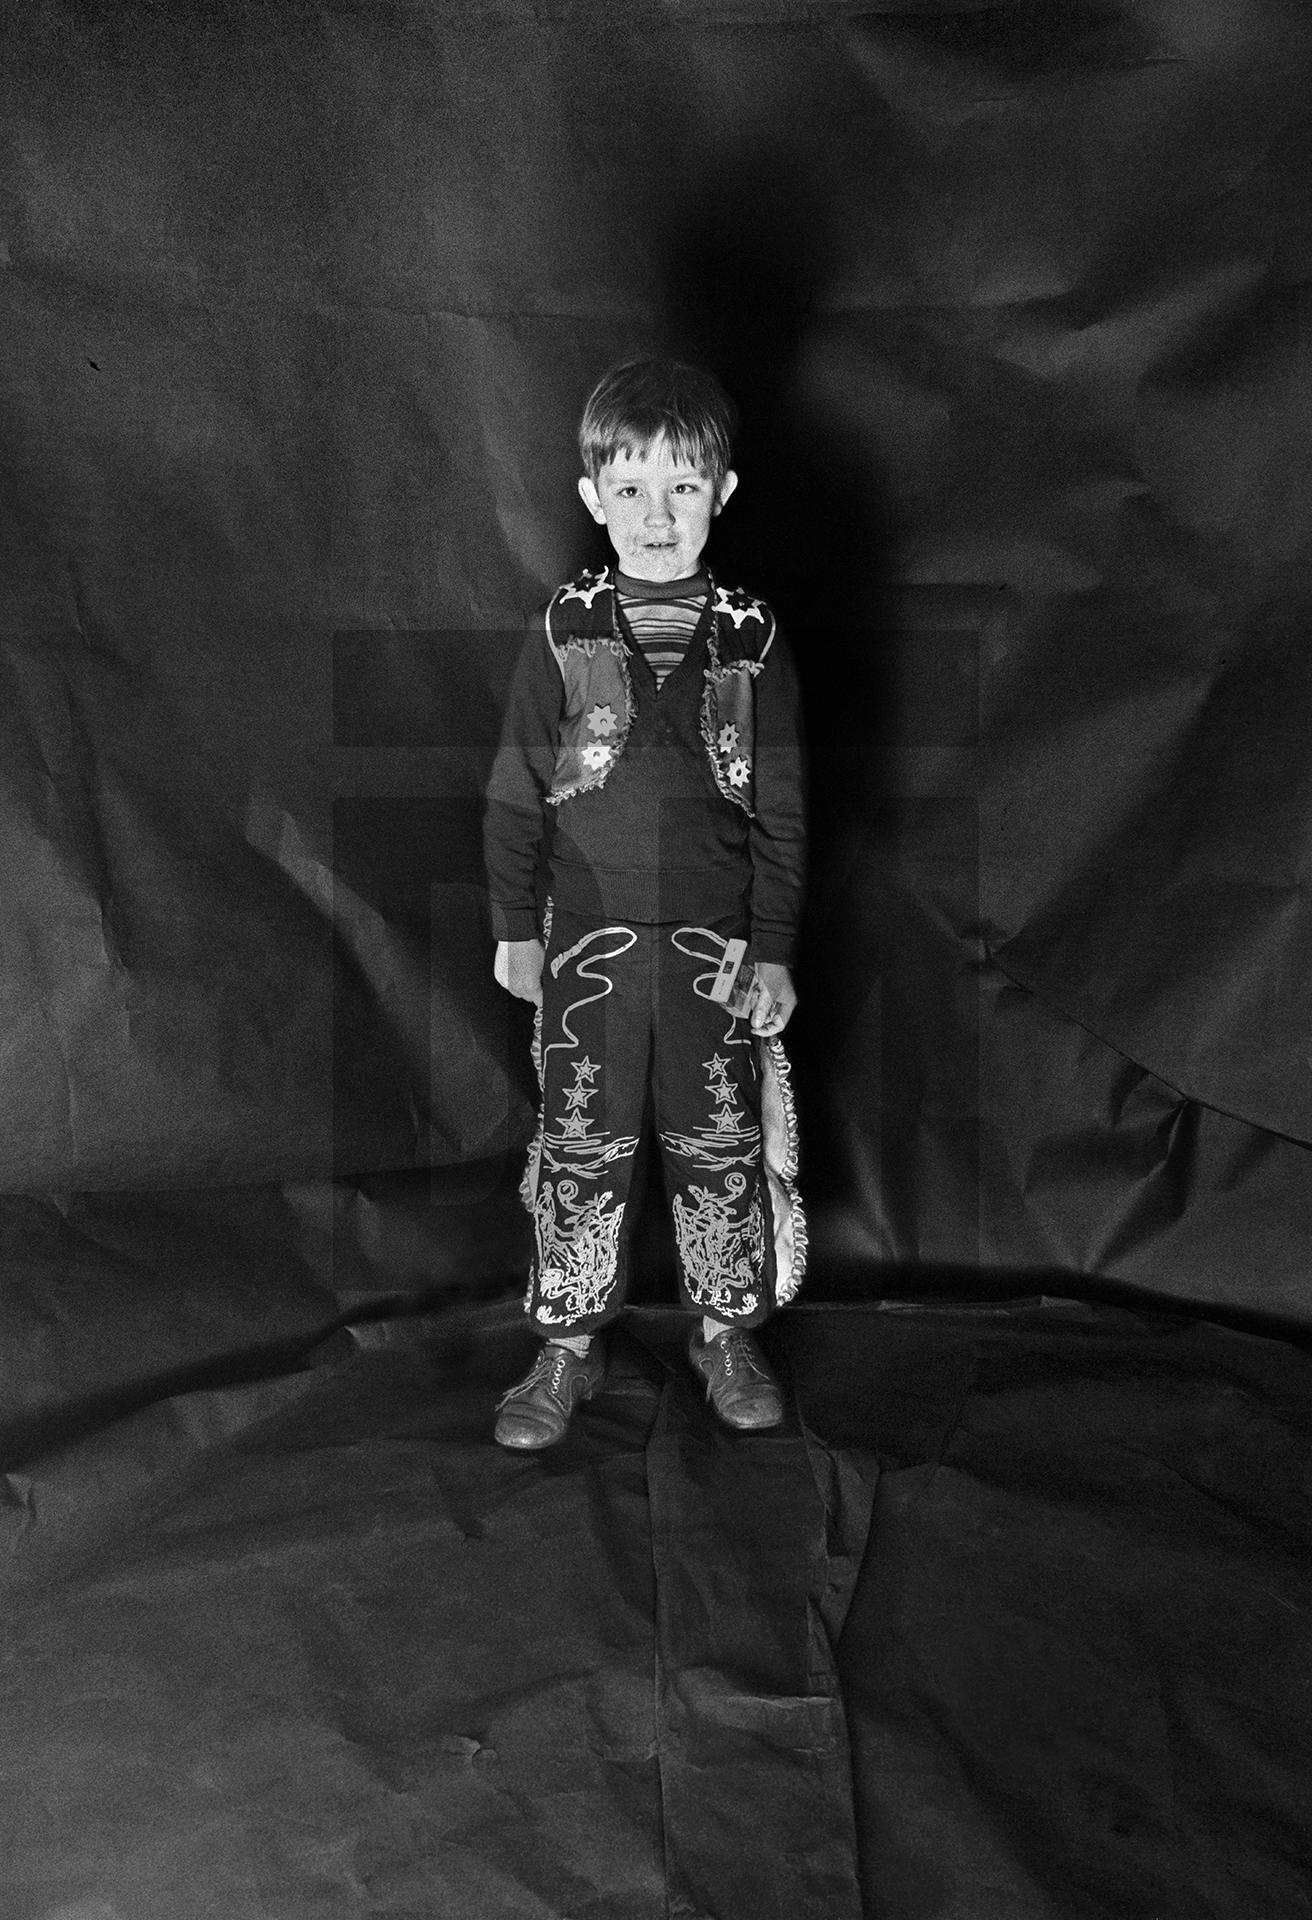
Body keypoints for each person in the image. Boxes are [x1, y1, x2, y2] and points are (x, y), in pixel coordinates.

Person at [483, 354, 807, 1449]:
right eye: (630, 488)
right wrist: (513, 929)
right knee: (579, 1139)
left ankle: (725, 1329)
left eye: (682, 487)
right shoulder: (566, 627)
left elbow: (785, 812)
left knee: (717, 1138)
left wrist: (772, 949)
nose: (656, 513)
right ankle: (566, 1343)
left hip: (714, 944)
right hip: (586, 944)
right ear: (592, 500)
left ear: (721, 493)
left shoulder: (752, 635)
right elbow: (515, 791)